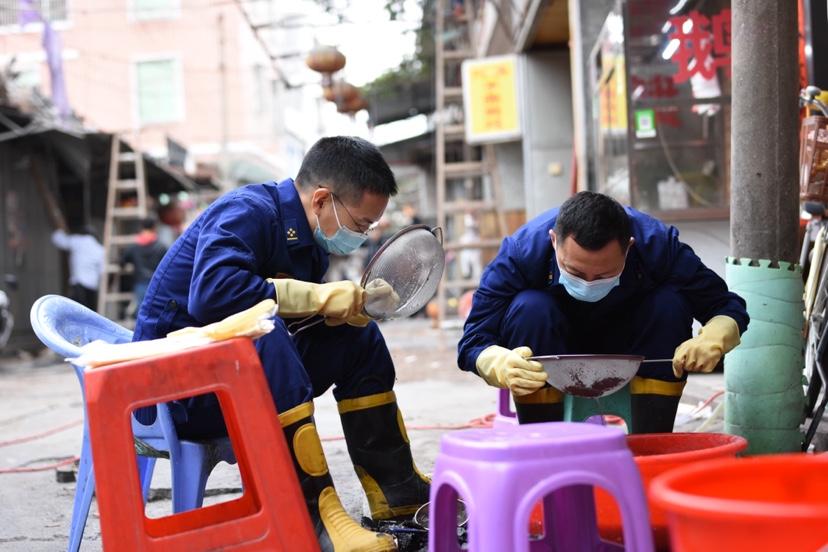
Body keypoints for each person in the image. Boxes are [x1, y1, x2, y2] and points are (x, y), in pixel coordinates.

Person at [133, 137, 428, 552]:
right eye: (361, 224)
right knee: (266, 333)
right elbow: (214, 293)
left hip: (236, 384)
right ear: (323, 199)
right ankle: (314, 515)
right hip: (178, 396)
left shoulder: (309, 245)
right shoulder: (247, 211)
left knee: (357, 336)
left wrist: (347, 309)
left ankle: (397, 494)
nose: (362, 235)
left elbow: (295, 313)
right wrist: (321, 297)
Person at [458, 191, 749, 433]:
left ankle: (652, 443)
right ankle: (543, 441)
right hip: (554, 343)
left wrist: (712, 337)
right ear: (553, 240)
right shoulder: (521, 252)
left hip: (633, 348)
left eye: (603, 275)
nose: (587, 283)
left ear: (629, 248)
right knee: (529, 307)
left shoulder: (658, 246)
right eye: (575, 271)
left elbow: (726, 306)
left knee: (669, 304)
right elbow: (472, 341)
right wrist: (496, 362)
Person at [51, 224, 104, 311]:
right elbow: (103, 271)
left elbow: (60, 240)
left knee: (73, 313)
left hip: (78, 287)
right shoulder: (100, 249)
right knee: (90, 317)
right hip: (92, 289)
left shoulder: (77, 241)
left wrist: (58, 229)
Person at [120, 217, 168, 314]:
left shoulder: (134, 246)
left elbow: (122, 262)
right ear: (154, 227)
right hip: (157, 283)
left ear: (141, 227)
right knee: (157, 311)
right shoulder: (161, 246)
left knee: (141, 311)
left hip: (140, 282)